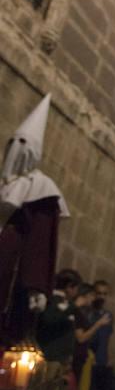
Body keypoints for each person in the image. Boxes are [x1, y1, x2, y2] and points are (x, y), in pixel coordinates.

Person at [0, 94, 69, 340]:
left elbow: (40, 241)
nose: (17, 148)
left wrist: (36, 286)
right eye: (13, 142)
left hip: (8, 272)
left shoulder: (40, 187)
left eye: (23, 143)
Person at [20, 268, 81, 390]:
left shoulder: (65, 304)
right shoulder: (53, 301)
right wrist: (73, 307)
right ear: (70, 287)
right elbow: (49, 320)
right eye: (75, 288)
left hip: (58, 362)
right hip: (48, 360)